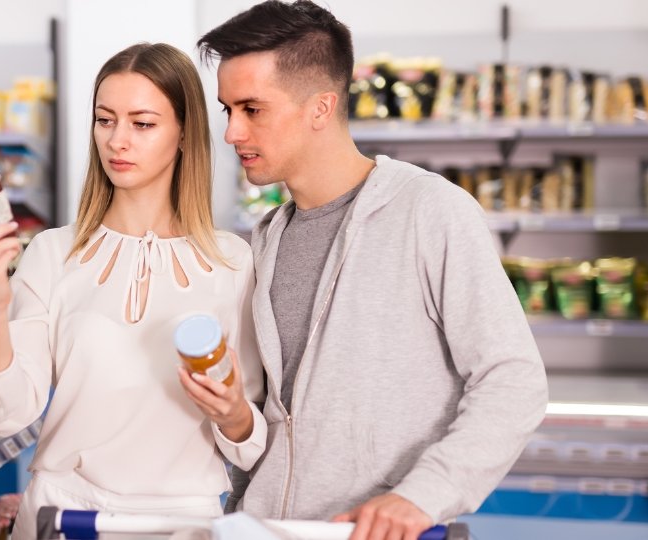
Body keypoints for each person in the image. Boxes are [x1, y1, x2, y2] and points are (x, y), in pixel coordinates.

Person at [197, 2, 549, 539]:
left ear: (321, 107)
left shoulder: (431, 211)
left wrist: (421, 496)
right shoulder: (267, 237)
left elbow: (514, 379)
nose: (232, 133)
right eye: (228, 110)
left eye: (252, 109)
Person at [0, 43, 267, 539]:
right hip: (63, 514)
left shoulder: (234, 262)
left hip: (182, 523)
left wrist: (233, 413)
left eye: (142, 124)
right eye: (105, 120)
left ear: (185, 133)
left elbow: (249, 444)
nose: (117, 140)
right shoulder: (53, 253)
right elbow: (7, 415)